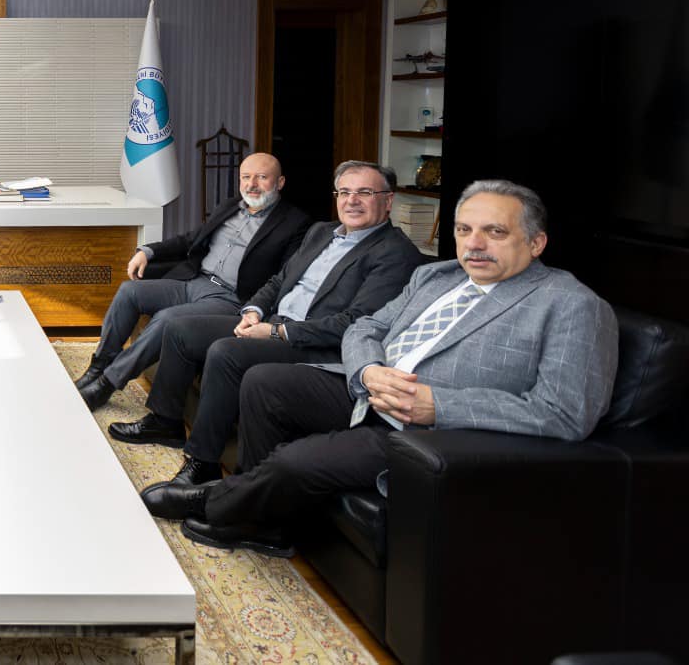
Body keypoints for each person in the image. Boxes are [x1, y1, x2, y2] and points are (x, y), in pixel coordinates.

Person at [155, 179, 617, 558]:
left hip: (422, 429)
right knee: (264, 382)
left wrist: (440, 406)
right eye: (464, 230)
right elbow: (366, 327)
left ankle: (222, 501)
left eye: (494, 232)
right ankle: (264, 522)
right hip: (367, 389)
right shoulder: (437, 275)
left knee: (296, 460)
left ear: (536, 242)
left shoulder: (571, 305)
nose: (474, 244)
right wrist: (367, 370)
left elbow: (566, 413)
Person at [126, 161, 424, 513]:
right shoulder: (322, 232)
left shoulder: (395, 253)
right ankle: (165, 422)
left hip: (316, 345)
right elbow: (280, 280)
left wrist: (277, 332)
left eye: (365, 193)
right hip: (273, 322)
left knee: (226, 353)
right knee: (180, 329)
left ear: (388, 201)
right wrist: (253, 310)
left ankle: (203, 462)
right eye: (344, 192)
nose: (352, 200)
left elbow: (355, 323)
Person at [77, 153, 312, 410]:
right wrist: (148, 251)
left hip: (230, 298)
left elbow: (285, 277)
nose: (251, 184)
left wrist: (258, 309)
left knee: (167, 319)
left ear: (280, 182)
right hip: (193, 281)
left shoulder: (295, 223)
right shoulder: (230, 206)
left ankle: (106, 384)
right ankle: (98, 367)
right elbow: (191, 239)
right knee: (129, 291)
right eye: (246, 177)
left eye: (262, 177)